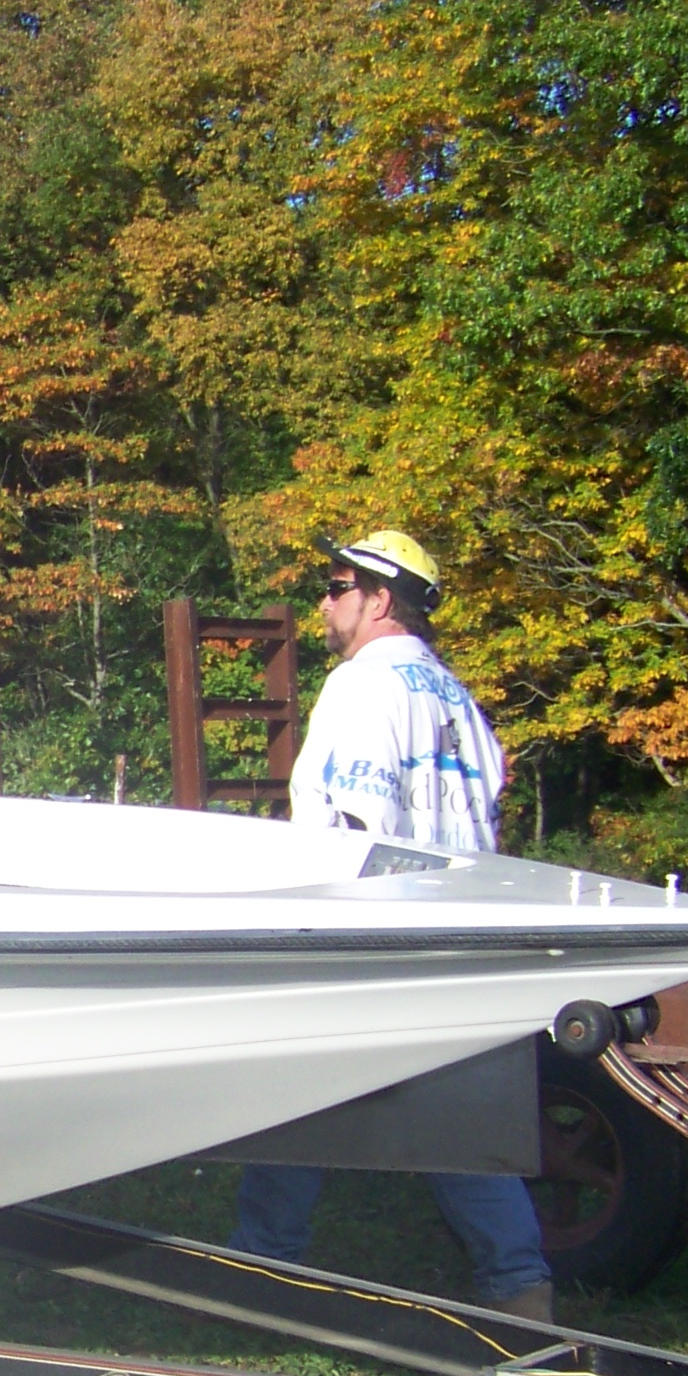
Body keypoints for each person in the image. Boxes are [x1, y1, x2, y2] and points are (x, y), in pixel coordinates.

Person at [229, 529, 557, 1321]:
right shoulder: (456, 699)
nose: (324, 601)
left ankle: (255, 1282)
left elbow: (351, 826)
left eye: (337, 586)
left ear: (379, 600)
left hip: (375, 938)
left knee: (288, 1103)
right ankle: (524, 1293)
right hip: (465, 937)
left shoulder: (361, 688)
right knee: (461, 1122)